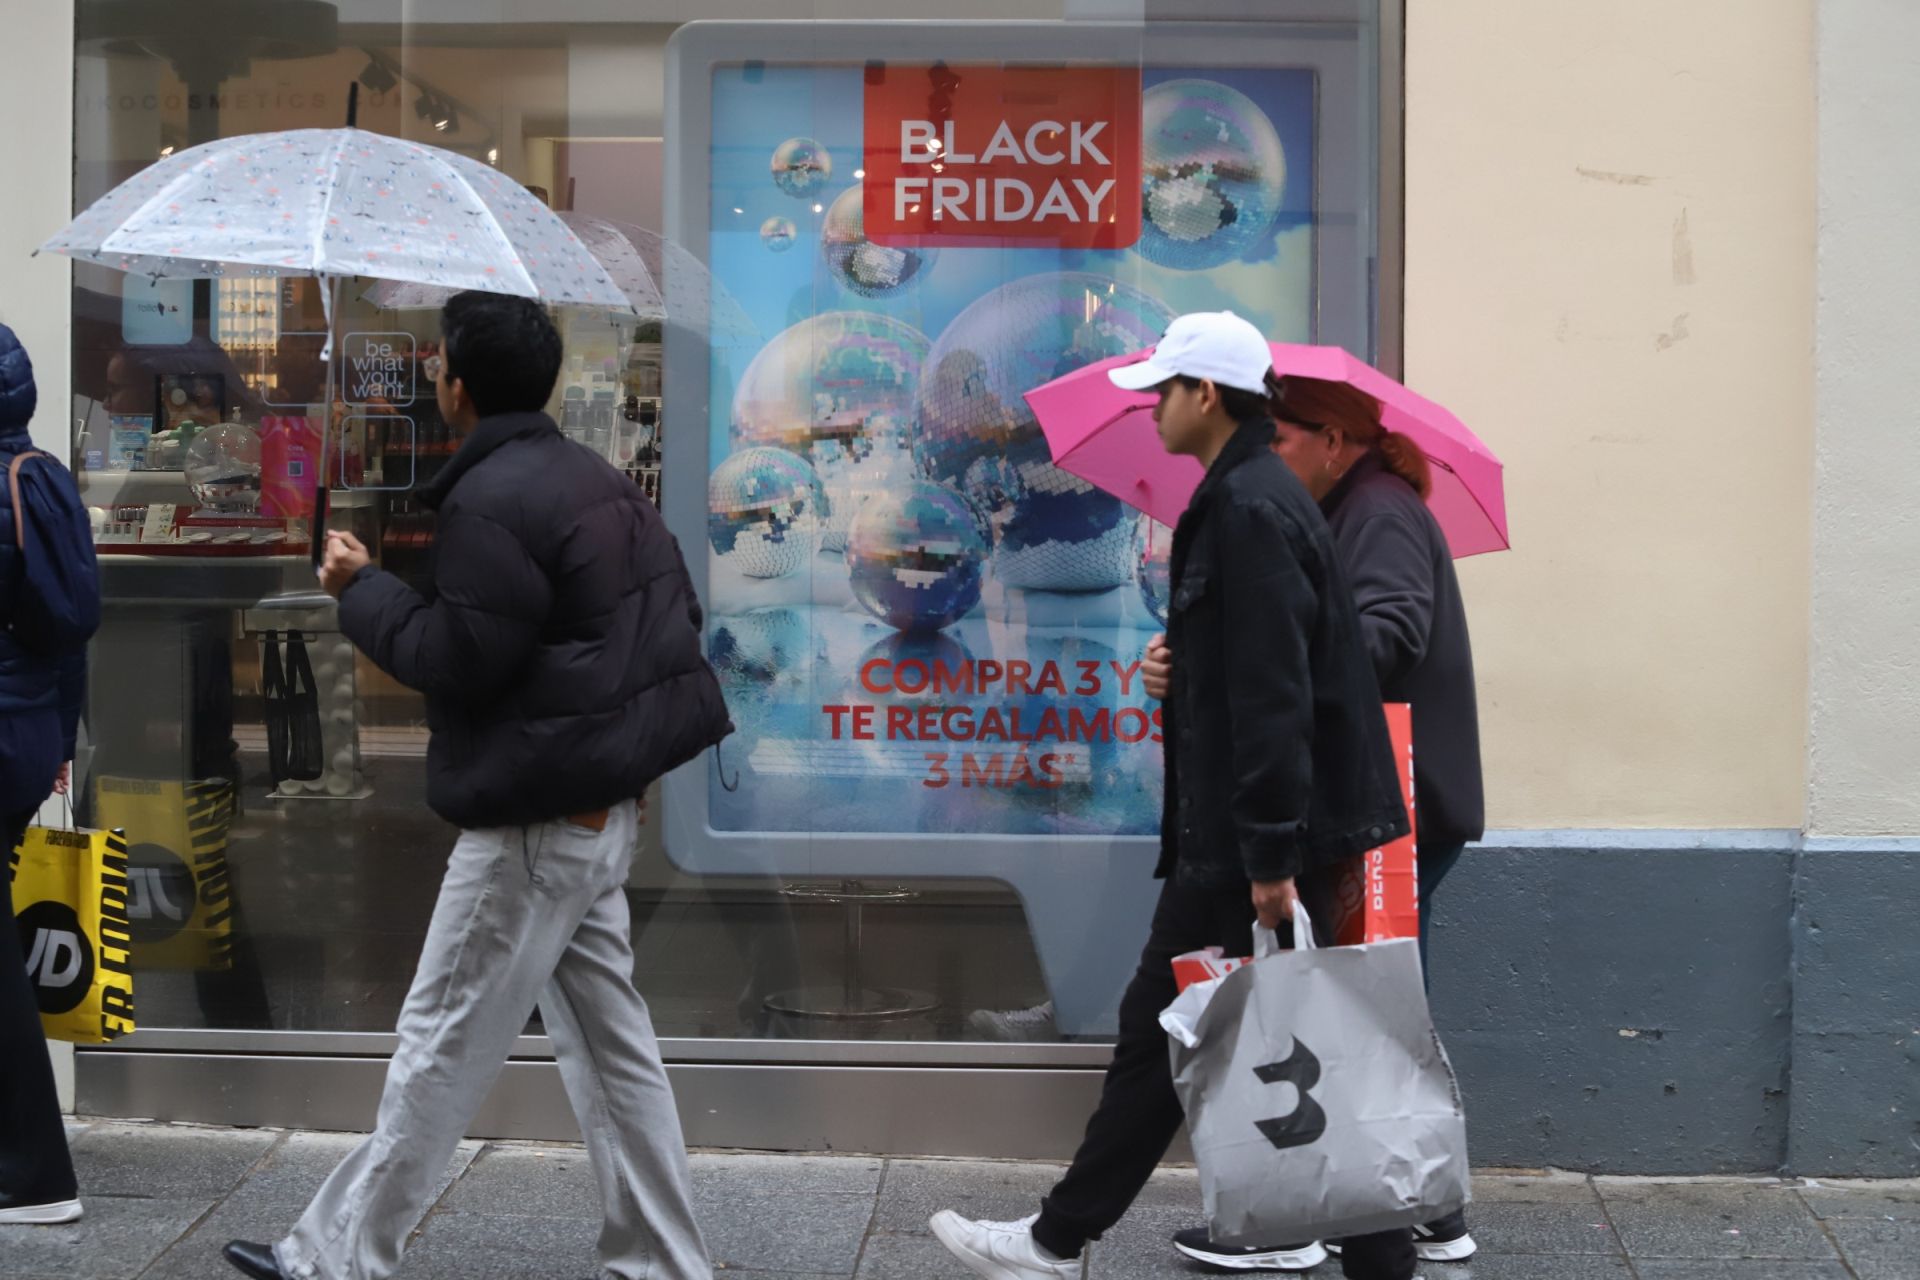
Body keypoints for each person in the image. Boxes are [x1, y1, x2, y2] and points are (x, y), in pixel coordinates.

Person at [222, 292, 732, 1280]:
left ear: (458, 381)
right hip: (596, 811)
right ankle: (663, 1261)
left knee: (441, 1036)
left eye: (435, 361)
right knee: (612, 1050)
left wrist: (360, 587)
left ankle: (335, 1255)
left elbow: (460, 658)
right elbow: (651, 623)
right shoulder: (593, 478)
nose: (427, 375)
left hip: (535, 825)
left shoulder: (492, 498)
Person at [927, 312, 1417, 1280]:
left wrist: (1269, 859)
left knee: (1177, 1027)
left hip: (1250, 841)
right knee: (1195, 1030)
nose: (1150, 408)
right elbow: (1264, 660)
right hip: (1252, 833)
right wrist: (1183, 662)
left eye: (1162, 390)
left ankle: (1055, 1239)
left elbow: (1278, 691)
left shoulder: (1245, 507)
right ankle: (1063, 1237)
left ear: (1205, 394)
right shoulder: (1254, 496)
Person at [1152, 374, 1484, 1271]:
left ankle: (1326, 1214)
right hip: (1380, 801)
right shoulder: (1347, 509)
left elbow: (1386, 638)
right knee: (1363, 1006)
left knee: (1348, 1009)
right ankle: (1414, 1210)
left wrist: (1265, 653)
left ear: (1334, 441)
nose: (1272, 451)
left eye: (1286, 436)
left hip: (1394, 805)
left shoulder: (1376, 512)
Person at [0, 322, 100, 1226]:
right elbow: (72, 630)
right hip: (25, 739)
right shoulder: (45, 480)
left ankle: (34, 1176)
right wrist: (60, 739)